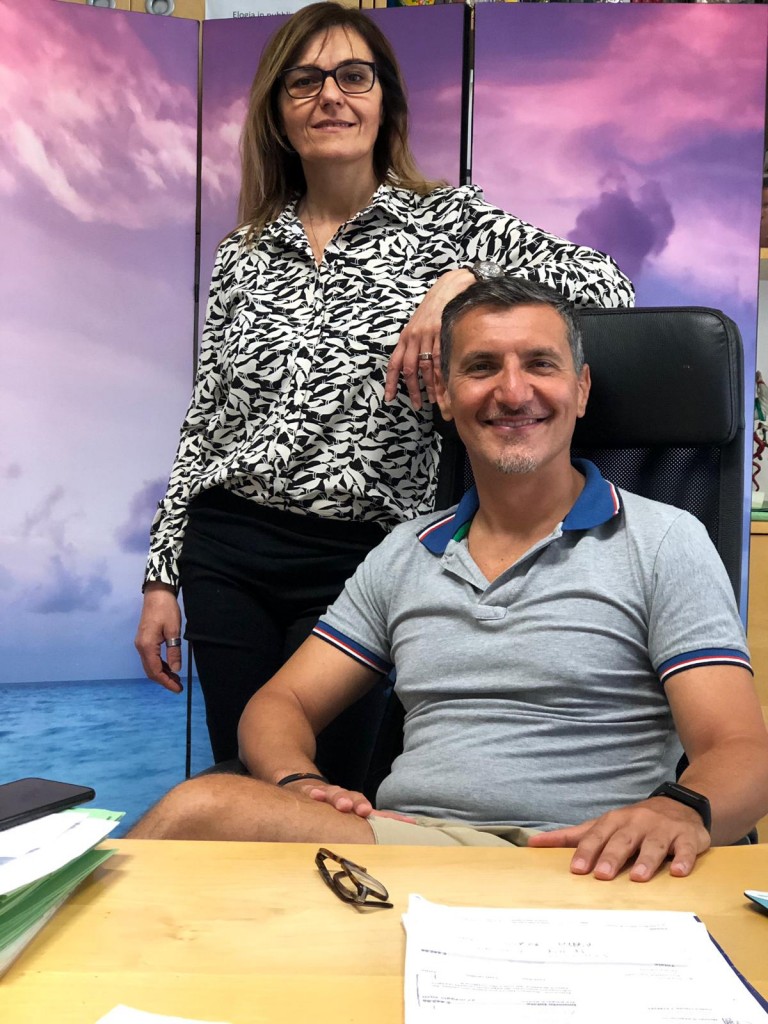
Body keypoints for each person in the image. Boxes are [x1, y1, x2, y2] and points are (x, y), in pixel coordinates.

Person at [130, 276, 768, 882]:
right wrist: (298, 783)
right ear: (443, 394)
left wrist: (681, 810)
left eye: (540, 364)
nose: (512, 392)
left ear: (581, 390)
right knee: (203, 824)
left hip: (587, 862)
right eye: (482, 367)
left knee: (198, 811)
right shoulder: (404, 553)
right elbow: (280, 704)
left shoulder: (663, 540)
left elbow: (741, 748)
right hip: (407, 851)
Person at [135, 1, 634, 768]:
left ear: (384, 103)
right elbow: (206, 422)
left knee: (332, 791)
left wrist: (466, 282)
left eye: (353, 76)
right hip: (226, 551)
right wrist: (161, 579)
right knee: (247, 779)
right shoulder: (243, 253)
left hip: (362, 559)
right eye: (304, 81)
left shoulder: (448, 222)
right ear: (278, 113)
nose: (329, 96)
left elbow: (607, 285)